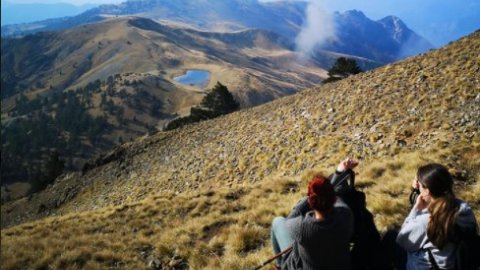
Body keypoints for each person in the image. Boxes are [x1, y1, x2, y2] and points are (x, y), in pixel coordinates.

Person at [270, 158, 357, 270]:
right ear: (333, 199)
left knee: (277, 222)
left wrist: (308, 199)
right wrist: (339, 172)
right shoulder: (346, 216)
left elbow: (289, 220)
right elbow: (337, 194)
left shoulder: (300, 227)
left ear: (312, 201)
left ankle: (282, 265)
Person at [396, 163, 478, 270]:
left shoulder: (424, 222)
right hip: (459, 263)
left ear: (427, 191)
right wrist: (420, 187)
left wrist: (416, 209)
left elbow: (403, 241)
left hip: (430, 266)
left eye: (420, 185)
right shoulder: (464, 209)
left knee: (391, 238)